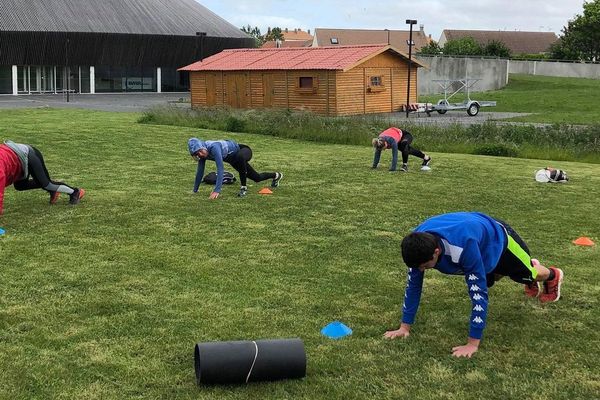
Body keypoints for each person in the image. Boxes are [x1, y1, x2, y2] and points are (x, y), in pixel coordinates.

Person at [384, 211, 563, 358]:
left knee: (528, 274)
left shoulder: (463, 248)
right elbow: (413, 286)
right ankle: (519, 269)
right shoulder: (418, 245)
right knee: (491, 278)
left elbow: (478, 294)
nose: (421, 270)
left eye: (425, 266)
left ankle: (550, 274)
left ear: (436, 252)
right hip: (478, 240)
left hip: (498, 240)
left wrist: (472, 344)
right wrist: (404, 327)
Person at [0, 140, 85, 215]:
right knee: (21, 185)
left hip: (29, 154)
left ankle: (75, 192)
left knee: (47, 184)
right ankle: (50, 186)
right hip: (16, 159)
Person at [188, 138, 283, 199]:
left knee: (241, 157)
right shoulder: (203, 155)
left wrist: (217, 190)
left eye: (200, 151)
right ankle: (276, 176)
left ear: (203, 147)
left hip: (243, 150)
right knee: (256, 178)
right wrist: (195, 190)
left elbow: (220, 168)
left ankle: (243, 188)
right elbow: (200, 171)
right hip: (234, 160)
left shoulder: (214, 147)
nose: (200, 154)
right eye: (196, 154)